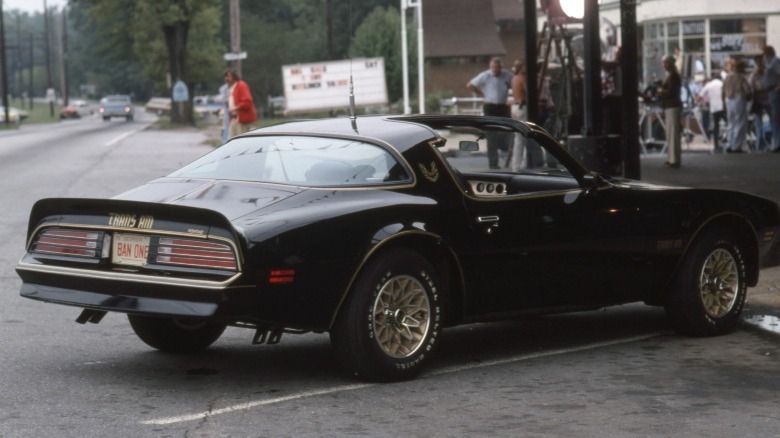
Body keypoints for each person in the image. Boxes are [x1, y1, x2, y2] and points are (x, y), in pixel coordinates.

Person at [466, 57, 513, 169]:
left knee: (508, 131)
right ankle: (493, 163)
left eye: (497, 67)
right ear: (490, 67)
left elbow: (515, 83)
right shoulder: (485, 75)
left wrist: (512, 95)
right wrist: (482, 94)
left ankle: (507, 152)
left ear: (501, 67)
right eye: (493, 67)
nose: (495, 69)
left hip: (503, 106)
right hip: (490, 106)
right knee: (491, 134)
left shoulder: (507, 75)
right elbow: (470, 85)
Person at [658, 55, 682, 168]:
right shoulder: (672, 75)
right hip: (671, 106)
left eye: (665, 63)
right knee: (671, 133)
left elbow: (670, 92)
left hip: (672, 105)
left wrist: (661, 90)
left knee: (672, 133)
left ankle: (674, 159)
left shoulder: (673, 76)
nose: (664, 65)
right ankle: (672, 157)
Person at [723, 59, 752, 153]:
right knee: (740, 122)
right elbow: (747, 90)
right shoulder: (741, 77)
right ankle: (737, 146)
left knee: (731, 123)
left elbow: (722, 90)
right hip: (738, 99)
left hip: (728, 100)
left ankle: (730, 144)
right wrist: (750, 97)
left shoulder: (728, 77)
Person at [224, 68, 257, 138]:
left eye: (228, 76)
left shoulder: (241, 85)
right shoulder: (231, 88)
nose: (226, 78)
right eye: (225, 76)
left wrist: (234, 109)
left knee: (242, 141)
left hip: (243, 120)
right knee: (231, 140)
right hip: (234, 119)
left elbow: (248, 102)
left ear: (234, 77)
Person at [698, 73, 725, 151]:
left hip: (714, 109)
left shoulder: (709, 85)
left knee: (716, 126)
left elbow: (700, 95)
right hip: (723, 107)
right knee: (728, 124)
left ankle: (716, 145)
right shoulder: (722, 84)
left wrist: (696, 102)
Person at [509, 60, 527, 171]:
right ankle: (521, 164)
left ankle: (516, 165)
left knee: (518, 138)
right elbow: (527, 91)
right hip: (522, 107)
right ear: (521, 68)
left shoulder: (514, 78)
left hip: (515, 107)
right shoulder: (522, 78)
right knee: (524, 137)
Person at [749, 55, 769, 151]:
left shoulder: (767, 71)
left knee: (774, 121)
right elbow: (751, 86)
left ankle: (771, 143)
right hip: (758, 100)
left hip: (767, 99)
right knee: (758, 123)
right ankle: (759, 145)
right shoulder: (754, 74)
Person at [764, 46, 780, 152]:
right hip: (770, 91)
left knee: (776, 118)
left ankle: (777, 144)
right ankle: (775, 143)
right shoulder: (769, 62)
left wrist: (778, 87)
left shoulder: (775, 62)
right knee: (774, 118)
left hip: (775, 91)